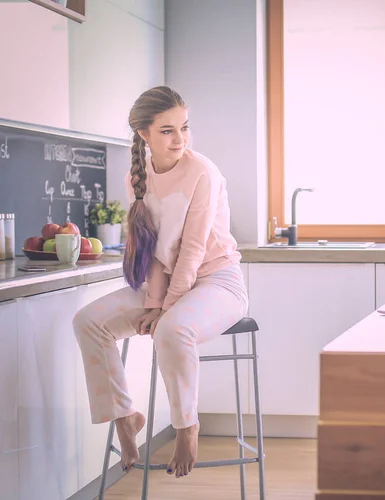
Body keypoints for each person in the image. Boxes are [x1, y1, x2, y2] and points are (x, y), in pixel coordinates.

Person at [73, 86, 248, 479]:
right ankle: (124, 416)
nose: (180, 139)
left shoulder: (202, 171)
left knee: (171, 330)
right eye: (167, 131)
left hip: (219, 281)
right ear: (144, 135)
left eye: (184, 128)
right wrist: (154, 302)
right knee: (88, 321)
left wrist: (165, 309)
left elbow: (192, 248)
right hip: (167, 283)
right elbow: (151, 251)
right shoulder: (137, 178)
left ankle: (187, 426)